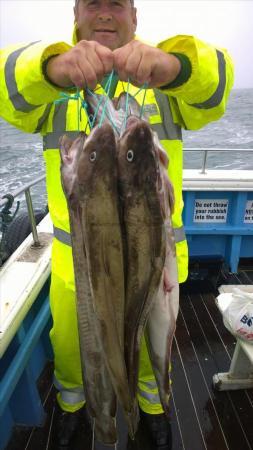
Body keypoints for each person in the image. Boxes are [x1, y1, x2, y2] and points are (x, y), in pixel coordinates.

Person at [0, 0, 234, 448]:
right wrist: (50, 70)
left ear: (135, 16)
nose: (105, 13)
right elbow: (6, 87)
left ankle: (152, 407)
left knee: (150, 354)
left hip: (154, 265)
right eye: (93, 3)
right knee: (73, 351)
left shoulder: (166, 85)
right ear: (75, 15)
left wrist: (175, 65)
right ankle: (74, 408)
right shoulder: (53, 89)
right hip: (78, 269)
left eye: (117, 4)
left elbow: (218, 85)